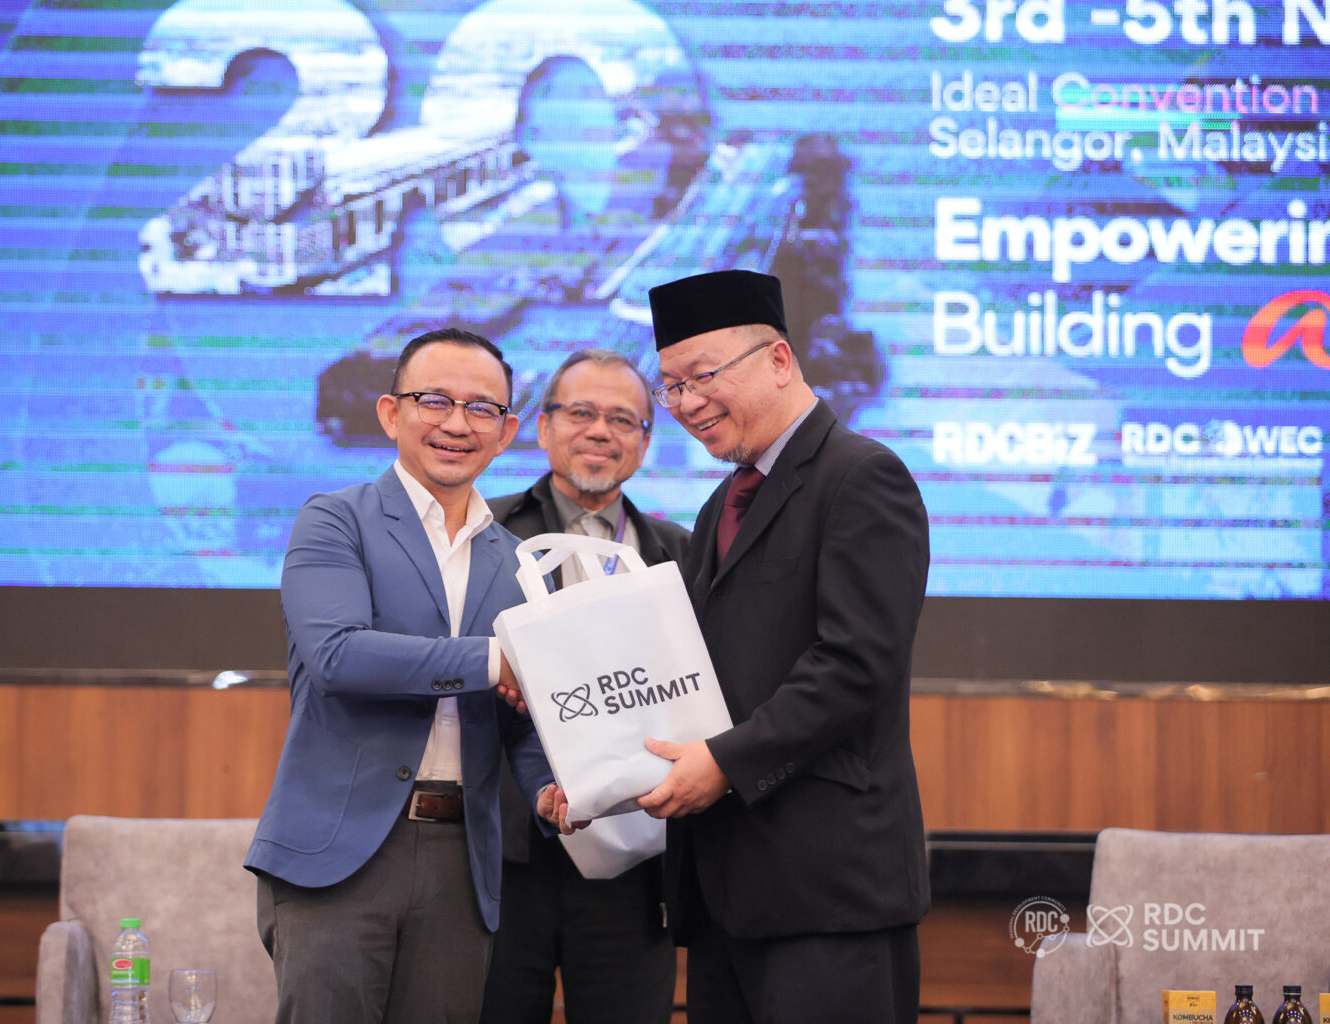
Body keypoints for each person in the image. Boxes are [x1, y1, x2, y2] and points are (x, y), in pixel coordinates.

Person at [245, 327, 580, 1024]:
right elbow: (338, 655)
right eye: (435, 400)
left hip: (463, 862)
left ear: (507, 431)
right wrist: (493, 659)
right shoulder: (334, 521)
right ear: (391, 413)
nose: (457, 423)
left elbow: (519, 716)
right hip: (340, 853)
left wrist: (548, 788)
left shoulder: (520, 563)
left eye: (482, 408)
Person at [639, 270, 931, 1023]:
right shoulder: (722, 502)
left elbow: (855, 665)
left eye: (702, 376)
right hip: (725, 894)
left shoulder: (862, 477)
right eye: (671, 387)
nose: (686, 404)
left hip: (828, 891)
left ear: (778, 360)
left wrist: (723, 763)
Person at [482, 349, 688, 1024]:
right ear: (542, 428)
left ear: (645, 443)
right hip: (507, 856)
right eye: (581, 412)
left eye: (623, 419)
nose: (601, 430)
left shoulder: (681, 555)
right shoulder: (485, 536)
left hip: (636, 857)